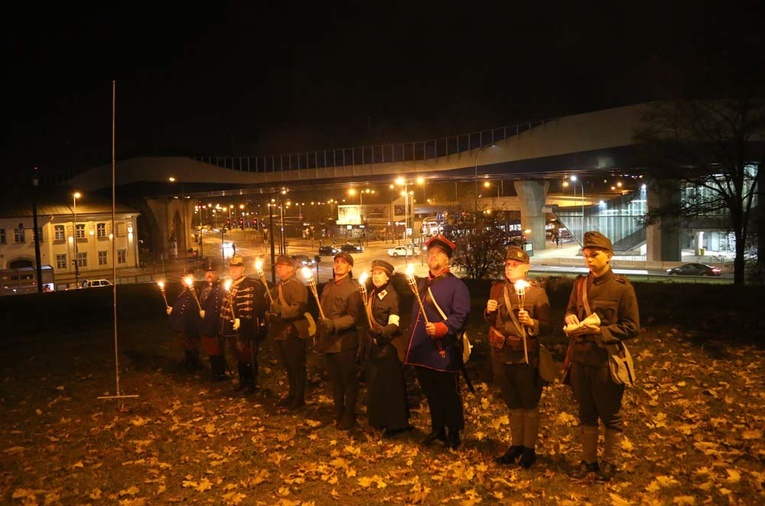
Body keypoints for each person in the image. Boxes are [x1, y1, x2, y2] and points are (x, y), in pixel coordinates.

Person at [564, 231, 640, 482]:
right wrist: (570, 319)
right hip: (580, 359)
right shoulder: (580, 285)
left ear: (608, 256)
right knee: (586, 413)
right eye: (585, 255)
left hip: (605, 362)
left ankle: (611, 463)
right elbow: (569, 310)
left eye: (593, 255)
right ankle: (589, 463)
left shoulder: (622, 287)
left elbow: (632, 326)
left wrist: (603, 331)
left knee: (610, 414)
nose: (588, 259)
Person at [485, 246, 551, 468]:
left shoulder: (537, 293)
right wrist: (489, 311)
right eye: (507, 265)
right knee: (512, 402)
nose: (510, 268)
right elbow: (492, 321)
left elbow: (549, 326)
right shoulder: (497, 290)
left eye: (515, 265)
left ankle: (529, 448)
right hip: (501, 354)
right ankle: (516, 444)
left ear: (526, 268)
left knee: (529, 402)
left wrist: (532, 323)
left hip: (524, 356)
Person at [404, 235, 470, 450]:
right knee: (431, 392)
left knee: (448, 393)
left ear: (447, 260)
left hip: (443, 349)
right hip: (422, 348)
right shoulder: (421, 284)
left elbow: (460, 316)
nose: (432, 257)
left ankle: (453, 432)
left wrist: (442, 328)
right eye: (430, 253)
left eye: (438, 254)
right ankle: (437, 428)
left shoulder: (456, 286)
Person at [317, 251, 362, 430]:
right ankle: (339, 411)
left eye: (343, 262)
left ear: (350, 267)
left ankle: (350, 414)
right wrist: (318, 333)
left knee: (348, 380)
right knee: (335, 380)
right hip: (328, 341)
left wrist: (334, 324)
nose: (338, 265)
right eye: (336, 262)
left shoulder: (353, 288)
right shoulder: (328, 286)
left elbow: (353, 317)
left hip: (344, 342)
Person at [363, 259, 409, 436]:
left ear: (388, 277)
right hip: (373, 346)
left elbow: (394, 323)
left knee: (389, 386)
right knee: (375, 385)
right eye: (374, 273)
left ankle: (394, 423)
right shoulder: (372, 294)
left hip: (386, 347)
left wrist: (381, 332)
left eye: (380, 273)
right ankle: (377, 420)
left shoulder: (391, 295)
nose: (376, 276)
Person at [220, 255, 268, 394]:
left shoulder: (252, 284)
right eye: (231, 268)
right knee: (238, 357)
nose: (234, 270)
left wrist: (242, 319)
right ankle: (243, 382)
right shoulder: (229, 284)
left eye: (237, 268)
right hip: (231, 329)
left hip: (247, 329)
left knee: (248, 356)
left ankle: (252, 384)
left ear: (243, 269)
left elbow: (257, 307)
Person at [267, 255, 310, 409]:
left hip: (293, 331)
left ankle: (299, 397)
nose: (278, 268)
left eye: (282, 266)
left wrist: (280, 310)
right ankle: (292, 394)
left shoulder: (297, 286)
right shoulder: (280, 285)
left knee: (296, 365)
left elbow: (298, 309)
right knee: (288, 365)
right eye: (277, 266)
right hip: (281, 331)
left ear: (291, 268)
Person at [167, 271, 202, 372]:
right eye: (182, 278)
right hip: (183, 322)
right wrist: (173, 310)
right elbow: (180, 304)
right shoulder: (182, 290)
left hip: (190, 321)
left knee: (191, 343)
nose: (183, 280)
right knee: (185, 343)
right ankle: (189, 362)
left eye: (185, 277)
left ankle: (194, 364)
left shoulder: (193, 290)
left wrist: (174, 310)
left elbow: (189, 306)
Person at [198, 263, 226, 381]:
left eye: (212, 272)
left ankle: (220, 372)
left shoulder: (220, 288)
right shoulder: (205, 287)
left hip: (215, 323)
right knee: (209, 348)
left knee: (217, 349)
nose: (209, 274)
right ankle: (215, 371)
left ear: (217, 274)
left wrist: (208, 314)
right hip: (205, 323)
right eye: (208, 272)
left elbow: (219, 307)